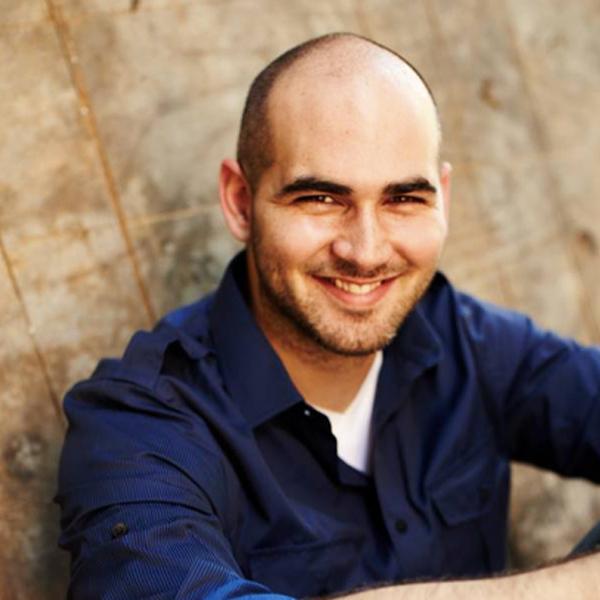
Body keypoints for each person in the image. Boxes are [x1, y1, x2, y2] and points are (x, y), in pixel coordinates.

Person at [56, 33, 600, 598]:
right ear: (240, 202)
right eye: (320, 199)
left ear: (442, 198)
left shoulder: (464, 338)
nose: (366, 252)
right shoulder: (138, 423)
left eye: (403, 199)